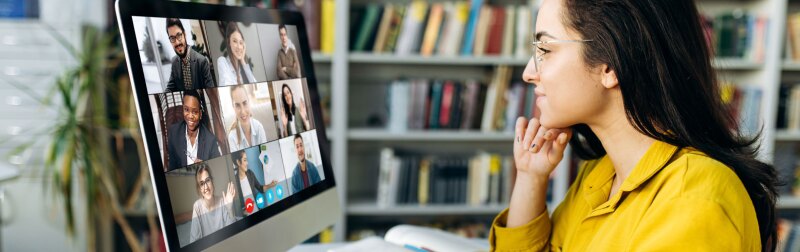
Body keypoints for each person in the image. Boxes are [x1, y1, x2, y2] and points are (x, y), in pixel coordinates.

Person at [490, 0, 778, 251]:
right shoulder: (601, 173)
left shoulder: (694, 198)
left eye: (545, 49)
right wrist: (530, 177)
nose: (529, 73)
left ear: (610, 65)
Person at [167, 90, 221, 171]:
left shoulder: (211, 141)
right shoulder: (174, 133)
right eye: (186, 110)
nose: (190, 116)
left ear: (200, 114)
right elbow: (172, 168)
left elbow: (218, 168)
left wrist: (205, 167)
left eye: (195, 112)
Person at [165, 18, 216, 92]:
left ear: (184, 34)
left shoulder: (202, 61)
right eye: (172, 38)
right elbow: (170, 88)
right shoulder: (174, 62)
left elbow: (211, 91)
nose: (177, 42)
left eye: (179, 35)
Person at [189, 164, 236, 243]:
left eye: (207, 180)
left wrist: (229, 208)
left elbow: (233, 233)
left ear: (212, 181)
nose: (206, 187)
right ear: (199, 188)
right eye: (201, 183)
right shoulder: (197, 207)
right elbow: (194, 241)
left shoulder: (222, 201)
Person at [231, 150, 276, 217]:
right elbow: (235, 205)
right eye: (245, 160)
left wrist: (271, 185)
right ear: (238, 162)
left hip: (257, 212)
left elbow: (260, 188)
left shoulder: (250, 174)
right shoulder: (234, 182)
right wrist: (242, 212)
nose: (247, 163)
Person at [227, 85, 268, 152]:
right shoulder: (232, 137)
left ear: (249, 102)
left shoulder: (259, 127)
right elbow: (237, 162)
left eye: (245, 103)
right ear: (233, 107)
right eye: (237, 105)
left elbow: (266, 155)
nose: (243, 111)